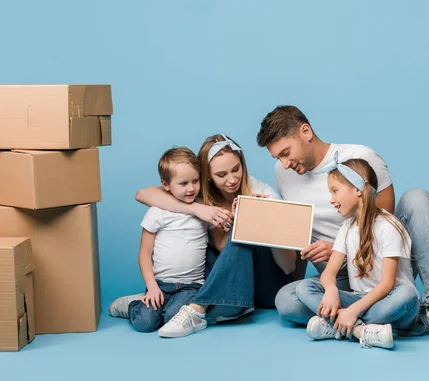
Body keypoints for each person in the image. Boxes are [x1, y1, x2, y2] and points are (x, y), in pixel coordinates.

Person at [257, 105, 429, 342]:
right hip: (339, 276)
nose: (284, 163)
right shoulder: (283, 173)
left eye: (286, 153)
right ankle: (361, 326)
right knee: (286, 300)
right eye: (278, 157)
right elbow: (297, 229)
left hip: (381, 262)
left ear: (305, 132)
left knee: (417, 198)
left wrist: (346, 247)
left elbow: (383, 219)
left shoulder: (360, 157)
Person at [111, 134, 297, 337]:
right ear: (207, 176)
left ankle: (198, 308)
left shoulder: (261, 191)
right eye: (221, 174)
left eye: (236, 169)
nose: (232, 179)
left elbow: (289, 266)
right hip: (229, 280)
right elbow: (143, 194)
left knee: (242, 232)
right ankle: (160, 300)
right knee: (198, 241)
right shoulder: (200, 193)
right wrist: (198, 210)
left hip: (265, 286)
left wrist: (259, 219)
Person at [297, 156, 424, 350]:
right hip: (359, 298)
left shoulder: (389, 226)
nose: (331, 200)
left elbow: (387, 285)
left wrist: (353, 310)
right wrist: (331, 290)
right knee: (304, 288)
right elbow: (328, 274)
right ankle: (360, 331)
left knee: (407, 295)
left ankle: (337, 325)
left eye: (335, 191)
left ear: (357, 190)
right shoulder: (347, 228)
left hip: (391, 303)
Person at [108, 147, 207, 333]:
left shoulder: (204, 210)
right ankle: (133, 305)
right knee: (144, 323)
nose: (191, 188)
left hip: (191, 285)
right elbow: (144, 254)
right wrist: (152, 287)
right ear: (165, 184)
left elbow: (222, 228)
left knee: (173, 318)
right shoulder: (157, 212)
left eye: (195, 181)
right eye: (183, 183)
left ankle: (159, 306)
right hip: (161, 283)